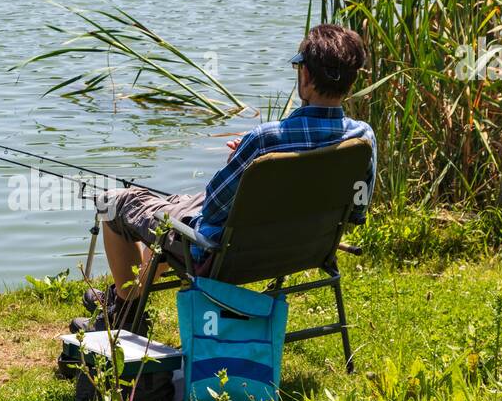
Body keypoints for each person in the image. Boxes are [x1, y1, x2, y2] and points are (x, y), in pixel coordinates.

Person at [76, 23, 377, 335]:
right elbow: (357, 211)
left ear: (307, 77)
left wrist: (237, 160)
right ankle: (122, 299)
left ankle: (122, 314)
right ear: (351, 81)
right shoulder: (362, 138)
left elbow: (215, 210)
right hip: (306, 250)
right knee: (172, 213)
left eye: (298, 66)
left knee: (113, 203)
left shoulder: (265, 140)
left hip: (223, 256)